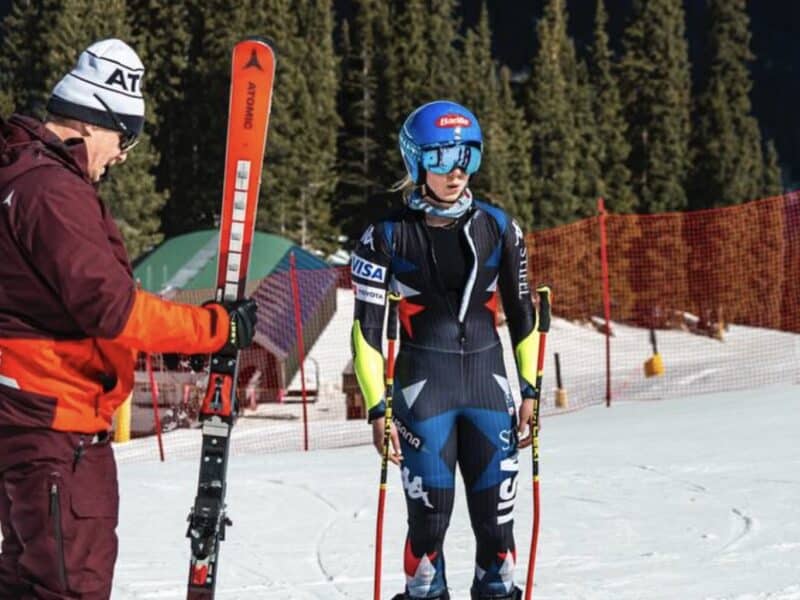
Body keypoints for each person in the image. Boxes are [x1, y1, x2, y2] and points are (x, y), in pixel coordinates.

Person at [0, 39, 258, 599]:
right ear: (95, 121)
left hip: (26, 425)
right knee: (69, 587)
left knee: (26, 582)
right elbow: (115, 310)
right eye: (125, 138)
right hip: (58, 430)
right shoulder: (52, 193)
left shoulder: (18, 177)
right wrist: (217, 329)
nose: (122, 156)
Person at [351, 100, 540, 600]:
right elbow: (367, 331)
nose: (455, 169)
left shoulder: (501, 228)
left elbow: (523, 313)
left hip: (489, 389)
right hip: (422, 395)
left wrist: (531, 389)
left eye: (466, 156)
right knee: (428, 536)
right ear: (416, 162)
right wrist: (376, 408)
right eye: (439, 158)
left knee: (498, 542)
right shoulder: (385, 236)